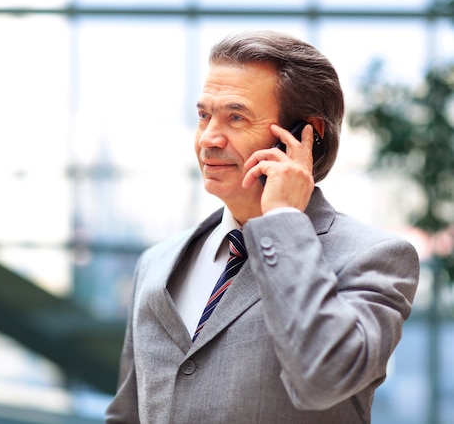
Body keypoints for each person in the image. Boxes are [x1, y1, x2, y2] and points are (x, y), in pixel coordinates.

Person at [105, 30, 419, 424]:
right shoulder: (157, 261)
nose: (209, 139)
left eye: (236, 117)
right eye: (204, 115)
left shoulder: (376, 257)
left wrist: (284, 222)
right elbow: (127, 414)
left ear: (307, 135)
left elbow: (323, 379)